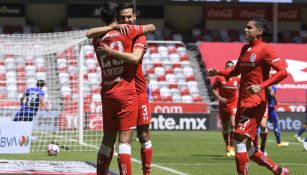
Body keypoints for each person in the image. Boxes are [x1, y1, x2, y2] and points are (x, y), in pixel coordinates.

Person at [207, 19, 289, 175]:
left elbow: (282, 72)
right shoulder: (245, 48)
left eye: (249, 28)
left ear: (259, 31)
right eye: (245, 27)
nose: (245, 30)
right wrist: (218, 72)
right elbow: (235, 71)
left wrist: (261, 86)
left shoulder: (266, 49)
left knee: (238, 139)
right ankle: (278, 170)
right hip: (242, 101)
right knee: (249, 148)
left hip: (255, 101)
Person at [86, 2, 155, 175]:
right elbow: (135, 56)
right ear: (117, 18)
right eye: (122, 17)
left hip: (120, 91)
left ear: (134, 16)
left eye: (129, 17)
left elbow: (88, 33)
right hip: (128, 92)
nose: (126, 20)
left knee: (143, 134)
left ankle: (146, 172)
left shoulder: (99, 39)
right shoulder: (131, 33)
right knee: (125, 140)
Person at [211, 60, 240, 157]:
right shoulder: (219, 78)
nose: (229, 67)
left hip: (234, 105)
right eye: (228, 66)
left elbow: (243, 89)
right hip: (223, 105)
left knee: (233, 124)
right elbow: (213, 89)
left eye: (231, 66)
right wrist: (220, 98)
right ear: (225, 67)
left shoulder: (237, 79)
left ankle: (232, 146)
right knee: (225, 128)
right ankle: (227, 145)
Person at [258, 84, 289, 155]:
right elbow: (272, 93)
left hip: (264, 106)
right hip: (270, 108)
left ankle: (258, 145)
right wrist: (275, 100)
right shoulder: (273, 85)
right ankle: (279, 142)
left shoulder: (266, 84)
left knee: (261, 126)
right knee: (275, 124)